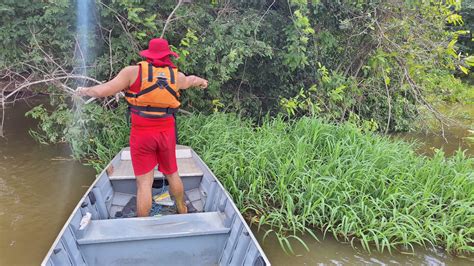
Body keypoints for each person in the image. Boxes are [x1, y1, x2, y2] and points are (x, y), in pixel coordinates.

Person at [76, 38, 208, 216]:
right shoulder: (176, 77)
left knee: (144, 184)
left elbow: (101, 91)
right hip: (166, 132)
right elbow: (192, 80)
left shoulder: (132, 72)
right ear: (168, 55)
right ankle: (182, 209)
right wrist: (202, 82)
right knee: (173, 173)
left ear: (149, 55)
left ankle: (142, 223)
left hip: (142, 133)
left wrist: (84, 91)